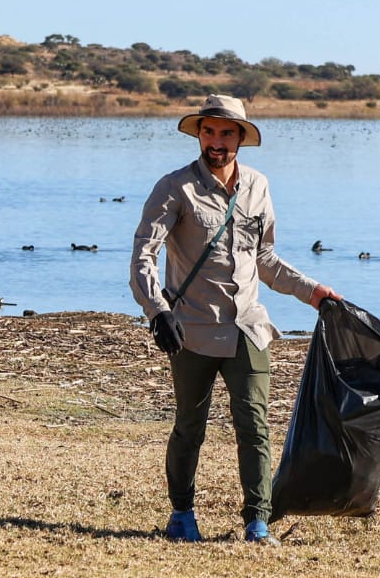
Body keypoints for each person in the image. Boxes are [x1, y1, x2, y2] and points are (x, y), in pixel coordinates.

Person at [130, 94, 340, 545]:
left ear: (241, 138)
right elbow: (143, 256)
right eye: (209, 131)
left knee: (255, 423)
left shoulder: (258, 186)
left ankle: (258, 522)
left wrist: (314, 293)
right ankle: (182, 515)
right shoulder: (174, 187)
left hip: (249, 327)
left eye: (227, 133)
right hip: (191, 330)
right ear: (199, 134)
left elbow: (264, 257)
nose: (217, 142)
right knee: (190, 427)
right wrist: (157, 311)